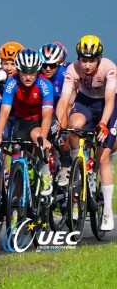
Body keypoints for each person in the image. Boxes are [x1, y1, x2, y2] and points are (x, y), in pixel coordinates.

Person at [56, 35, 117, 229]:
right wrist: (58, 123)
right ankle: (78, 162)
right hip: (85, 102)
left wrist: (104, 123)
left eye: (91, 60)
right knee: (74, 124)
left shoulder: (109, 67)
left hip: (108, 106)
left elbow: (109, 100)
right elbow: (64, 99)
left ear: (99, 58)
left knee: (103, 158)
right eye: (84, 60)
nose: (87, 65)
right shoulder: (72, 69)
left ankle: (107, 210)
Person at [0, 49, 56, 197]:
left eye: (32, 73)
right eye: (24, 73)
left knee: (37, 137)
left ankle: (46, 173)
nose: (27, 77)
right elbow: (5, 112)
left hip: (42, 119)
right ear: (18, 70)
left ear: (37, 71)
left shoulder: (44, 84)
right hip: (22, 121)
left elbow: (47, 115)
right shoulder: (12, 82)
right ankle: (16, 202)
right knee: (16, 161)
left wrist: (43, 138)